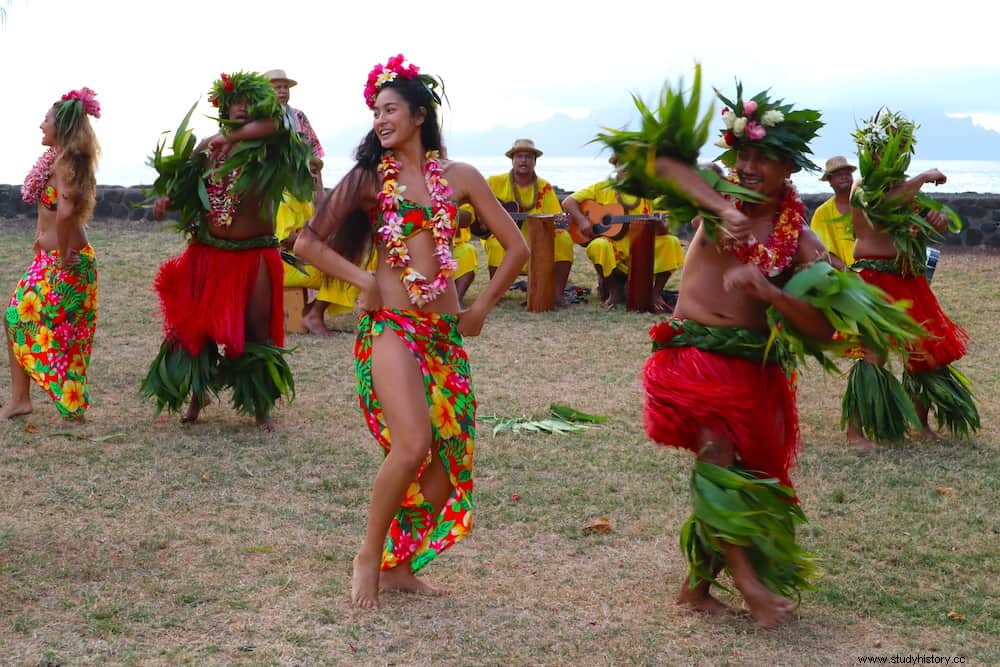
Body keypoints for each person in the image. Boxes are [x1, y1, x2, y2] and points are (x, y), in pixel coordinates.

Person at [293, 54, 527, 609]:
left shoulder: (460, 178)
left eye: (391, 109)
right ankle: (368, 556)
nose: (380, 119)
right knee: (413, 444)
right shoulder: (370, 179)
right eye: (376, 111)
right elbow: (307, 242)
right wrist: (361, 282)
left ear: (420, 115)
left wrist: (481, 308)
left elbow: (516, 248)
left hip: (444, 331)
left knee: (446, 467)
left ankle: (399, 566)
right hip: (392, 328)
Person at [616, 82, 831, 627]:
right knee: (716, 454)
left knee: (744, 473)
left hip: (754, 368)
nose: (751, 166)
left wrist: (774, 294)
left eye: (765, 158)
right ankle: (749, 586)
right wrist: (719, 207)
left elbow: (826, 330)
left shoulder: (802, 243)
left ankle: (696, 588)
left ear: (789, 169)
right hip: (691, 355)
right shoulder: (716, 196)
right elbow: (656, 160)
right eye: (745, 154)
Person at [141, 71, 312, 431]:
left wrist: (226, 136)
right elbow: (188, 188)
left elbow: (280, 126)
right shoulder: (208, 149)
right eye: (233, 103)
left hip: (255, 256)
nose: (239, 108)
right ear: (221, 107)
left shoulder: (272, 147)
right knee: (195, 327)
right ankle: (196, 395)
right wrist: (168, 200)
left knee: (256, 330)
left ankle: (260, 405)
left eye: (247, 103)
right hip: (209, 252)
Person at [843, 109, 979, 449]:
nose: (898, 153)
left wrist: (937, 220)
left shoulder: (904, 189)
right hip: (873, 277)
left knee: (924, 352)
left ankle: (922, 424)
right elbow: (881, 207)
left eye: (903, 146)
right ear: (875, 150)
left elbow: (919, 226)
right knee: (873, 356)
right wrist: (921, 178)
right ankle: (855, 433)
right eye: (892, 146)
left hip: (907, 278)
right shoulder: (864, 187)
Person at [2, 88, 101, 421]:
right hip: (52, 258)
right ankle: (21, 400)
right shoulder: (58, 159)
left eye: (46, 120)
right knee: (22, 319)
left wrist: (60, 254)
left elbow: (67, 212)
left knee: (42, 326)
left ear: (62, 127)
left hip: (67, 260)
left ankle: (62, 404)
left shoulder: (67, 164)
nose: (41, 125)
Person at [266, 68, 355, 336]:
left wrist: (316, 178)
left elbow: (323, 213)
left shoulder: (299, 117)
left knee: (349, 255)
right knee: (341, 262)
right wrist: (322, 244)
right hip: (285, 262)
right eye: (276, 87)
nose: (282, 91)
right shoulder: (277, 192)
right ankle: (313, 315)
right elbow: (287, 240)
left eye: (285, 86)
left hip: (304, 255)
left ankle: (314, 313)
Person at [562, 154, 685, 311]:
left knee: (671, 242)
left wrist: (659, 224)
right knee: (599, 245)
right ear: (616, 165)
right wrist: (582, 221)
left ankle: (655, 294)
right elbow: (568, 202)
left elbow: (664, 227)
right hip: (614, 247)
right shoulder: (601, 188)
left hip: (642, 248)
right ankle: (614, 293)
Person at [475, 139, 573, 305]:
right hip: (502, 235)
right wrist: (484, 218)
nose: (523, 160)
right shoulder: (494, 182)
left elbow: (555, 217)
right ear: (512, 160)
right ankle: (495, 293)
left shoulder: (544, 187)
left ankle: (556, 294)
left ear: (534, 162)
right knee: (496, 243)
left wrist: (560, 221)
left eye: (528, 157)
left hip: (535, 237)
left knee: (564, 239)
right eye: (519, 156)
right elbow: (476, 202)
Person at [809, 155, 856, 270]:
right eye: (839, 175)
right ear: (830, 181)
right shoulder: (822, 213)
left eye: (847, 173)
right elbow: (820, 250)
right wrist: (847, 271)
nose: (844, 177)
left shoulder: (865, 203)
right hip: (842, 277)